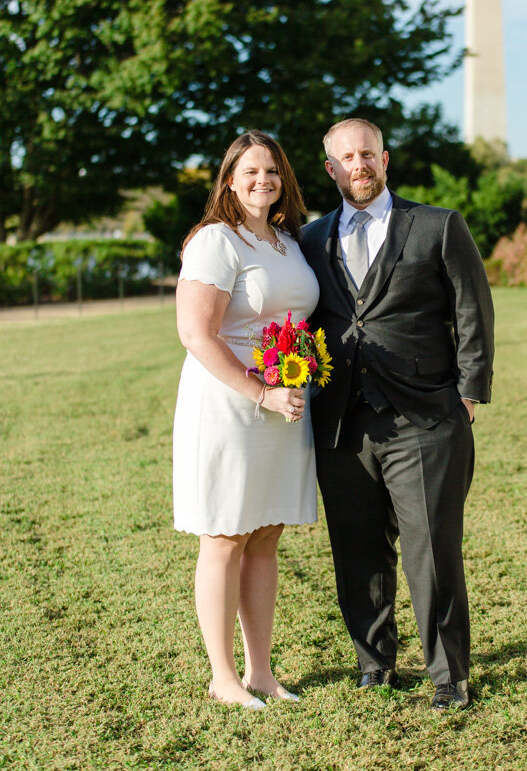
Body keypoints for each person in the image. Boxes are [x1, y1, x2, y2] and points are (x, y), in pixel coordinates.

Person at [300, 117, 494, 711]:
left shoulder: (437, 226)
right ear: (330, 169)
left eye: (367, 154)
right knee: (356, 548)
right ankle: (374, 662)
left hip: (425, 418)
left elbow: (473, 310)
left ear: (385, 160)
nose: (358, 165)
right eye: (345, 159)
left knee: (430, 548)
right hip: (341, 421)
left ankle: (448, 676)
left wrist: (467, 394)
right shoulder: (309, 240)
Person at [173, 130, 319, 710]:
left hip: (284, 405)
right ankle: (223, 676)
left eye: (274, 171)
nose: (265, 180)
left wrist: (295, 377)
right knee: (226, 535)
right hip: (231, 405)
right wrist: (260, 393)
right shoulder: (216, 241)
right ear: (229, 180)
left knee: (265, 535)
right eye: (251, 171)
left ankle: (260, 671)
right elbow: (195, 334)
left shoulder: (286, 241)